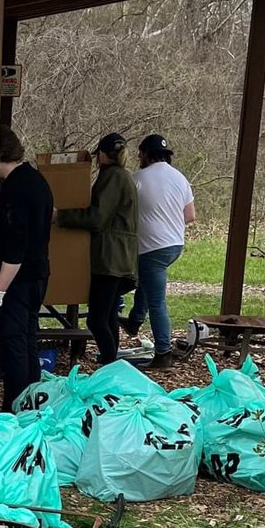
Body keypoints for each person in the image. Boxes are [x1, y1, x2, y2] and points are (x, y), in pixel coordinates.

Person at [55, 132, 138, 366]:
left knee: (96, 319)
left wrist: (60, 216)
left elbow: (97, 217)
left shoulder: (112, 177)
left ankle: (111, 366)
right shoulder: (123, 176)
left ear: (102, 154)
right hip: (121, 257)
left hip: (109, 258)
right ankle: (112, 365)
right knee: (109, 315)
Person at [0, 126, 54, 412]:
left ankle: (13, 411)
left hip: (18, 279)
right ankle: (30, 405)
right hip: (38, 273)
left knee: (13, 346)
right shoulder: (37, 180)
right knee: (27, 341)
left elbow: (16, 245)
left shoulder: (14, 188)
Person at [123, 133, 195, 370]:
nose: (139, 158)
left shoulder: (138, 178)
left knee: (157, 301)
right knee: (148, 280)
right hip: (174, 245)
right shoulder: (180, 178)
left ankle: (163, 353)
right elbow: (190, 216)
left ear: (145, 154)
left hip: (152, 246)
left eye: (140, 154)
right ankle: (134, 321)